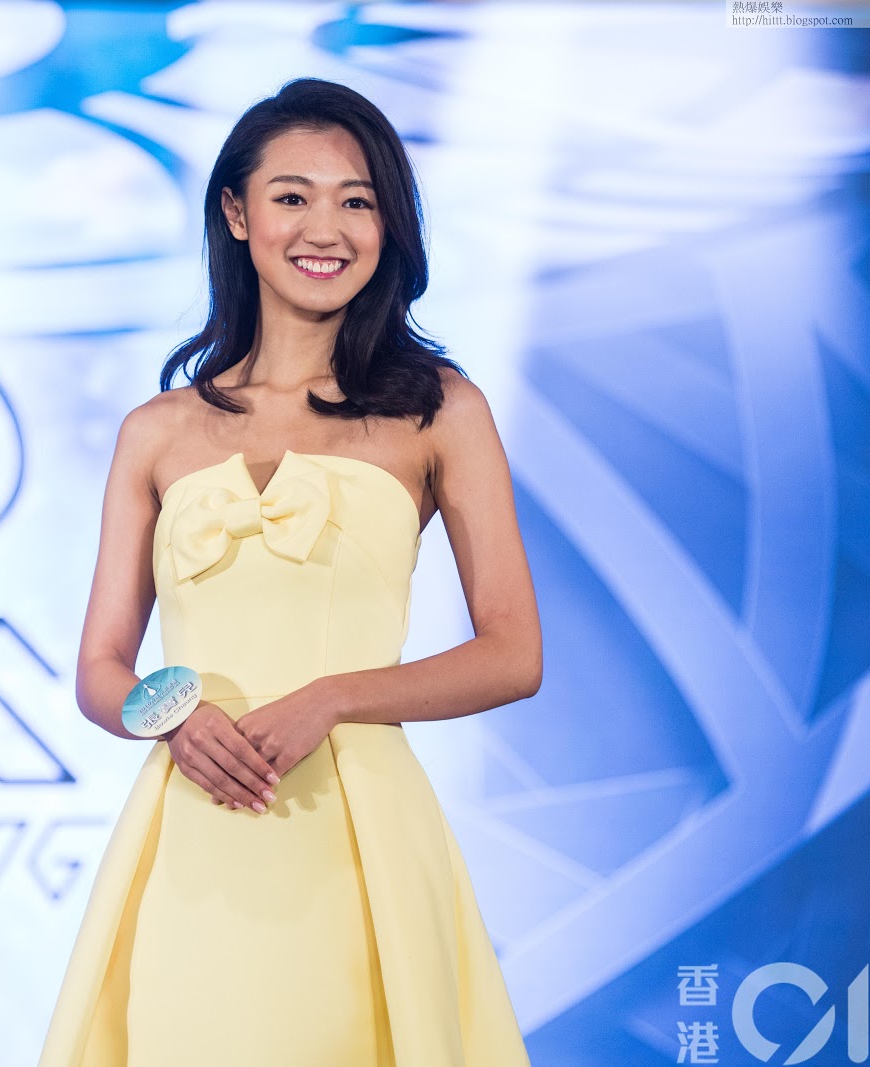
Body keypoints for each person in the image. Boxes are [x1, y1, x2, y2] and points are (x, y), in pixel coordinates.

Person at [36, 77, 539, 1066]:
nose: (326, 229)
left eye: (357, 200)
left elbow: (513, 653)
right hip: (195, 826)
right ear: (236, 212)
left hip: (361, 830)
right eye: (292, 196)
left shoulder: (441, 408)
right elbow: (101, 666)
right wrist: (170, 714)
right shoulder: (156, 430)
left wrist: (333, 697)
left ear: (389, 224)